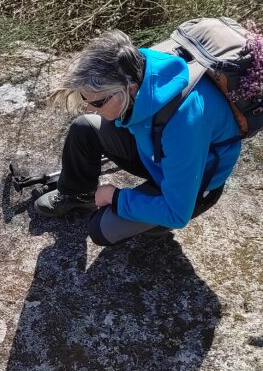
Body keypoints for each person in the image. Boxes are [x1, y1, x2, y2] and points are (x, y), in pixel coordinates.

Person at [33, 30, 242, 246]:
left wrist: (114, 197)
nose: (90, 108)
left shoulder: (184, 122)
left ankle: (156, 224)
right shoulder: (134, 66)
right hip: (155, 152)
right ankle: (77, 194)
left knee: (101, 228)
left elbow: (177, 212)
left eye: (97, 103)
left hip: (192, 183)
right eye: (86, 100)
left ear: (129, 89)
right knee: (85, 127)